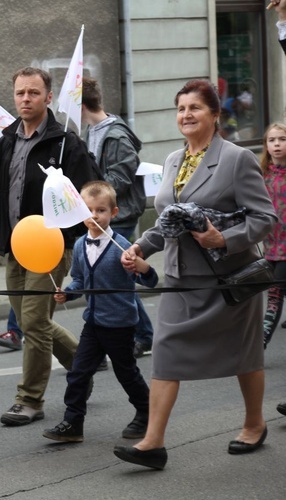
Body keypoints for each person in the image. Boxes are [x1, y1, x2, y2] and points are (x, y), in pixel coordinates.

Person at [116, 79, 276, 470]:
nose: (185, 115)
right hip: (180, 279)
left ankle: (255, 423)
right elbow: (167, 220)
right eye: (181, 109)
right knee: (166, 354)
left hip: (228, 281)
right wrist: (141, 246)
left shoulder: (237, 158)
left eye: (195, 108)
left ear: (215, 115)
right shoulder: (172, 160)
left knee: (245, 355)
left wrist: (225, 238)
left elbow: (265, 218)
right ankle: (153, 442)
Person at [0, 67, 100, 427]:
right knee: (37, 321)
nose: (25, 99)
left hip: (50, 247)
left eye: (33, 93)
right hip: (15, 245)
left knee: (32, 320)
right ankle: (82, 363)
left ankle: (29, 400)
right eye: (20, 93)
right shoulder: (9, 139)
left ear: (48, 98)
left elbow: (91, 190)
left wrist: (80, 230)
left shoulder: (65, 143)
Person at [43, 181, 156, 443]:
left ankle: (147, 412)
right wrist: (67, 293)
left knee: (126, 372)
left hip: (120, 324)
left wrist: (143, 267)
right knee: (78, 372)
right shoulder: (81, 245)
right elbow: (80, 281)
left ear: (114, 213)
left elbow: (149, 280)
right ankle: (73, 422)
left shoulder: (123, 245)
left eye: (101, 210)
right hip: (93, 323)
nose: (94, 215)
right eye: (88, 210)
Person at [81, 76, 154, 358]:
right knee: (113, 278)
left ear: (82, 104)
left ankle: (143, 335)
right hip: (100, 213)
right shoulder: (92, 131)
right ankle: (140, 335)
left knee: (118, 278)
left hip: (117, 214)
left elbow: (119, 180)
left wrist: (88, 193)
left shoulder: (117, 135)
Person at [260, 123, 286, 347]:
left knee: (275, 294)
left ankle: (261, 341)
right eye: (272, 140)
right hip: (271, 245)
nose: (277, 144)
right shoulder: (261, 175)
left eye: (282, 139)